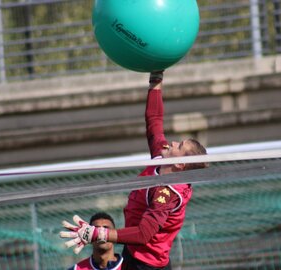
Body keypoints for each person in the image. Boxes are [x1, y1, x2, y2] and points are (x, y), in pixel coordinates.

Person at [60, 71, 208, 269]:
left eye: (179, 145)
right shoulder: (161, 157)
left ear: (180, 164)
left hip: (148, 265)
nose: (172, 143)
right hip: (133, 254)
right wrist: (156, 80)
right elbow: (154, 121)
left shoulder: (167, 193)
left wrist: (98, 234)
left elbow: (143, 234)